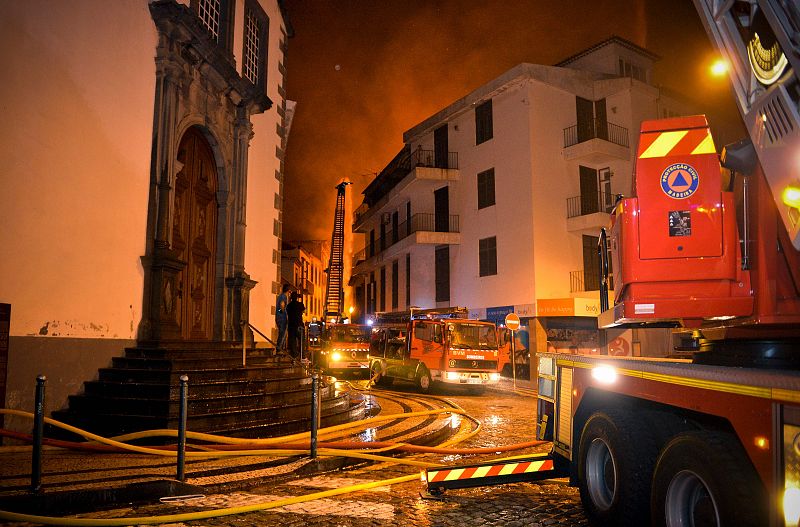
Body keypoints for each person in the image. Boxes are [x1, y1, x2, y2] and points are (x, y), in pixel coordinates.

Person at [286, 291, 306, 360]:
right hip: (299, 325)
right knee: (302, 340)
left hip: (291, 325)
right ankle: (302, 355)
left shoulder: (289, 305)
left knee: (293, 340)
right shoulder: (300, 304)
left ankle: (294, 353)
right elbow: (304, 311)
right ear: (297, 298)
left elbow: (286, 312)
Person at [275, 284, 290, 352]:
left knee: (281, 333)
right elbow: (282, 305)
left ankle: (280, 347)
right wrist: (284, 313)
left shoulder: (280, 296)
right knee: (282, 333)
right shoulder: (283, 297)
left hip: (279, 317)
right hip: (282, 318)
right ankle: (279, 348)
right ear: (288, 291)